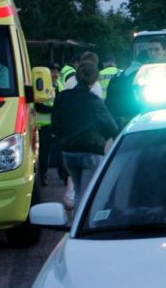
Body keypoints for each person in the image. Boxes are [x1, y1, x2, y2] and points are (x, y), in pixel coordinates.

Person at [51, 61, 119, 209]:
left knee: (78, 191)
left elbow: (55, 125)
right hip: (90, 151)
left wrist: (64, 138)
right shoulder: (94, 101)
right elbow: (111, 127)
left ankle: (77, 226)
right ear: (95, 79)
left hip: (68, 151)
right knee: (87, 195)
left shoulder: (62, 97)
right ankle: (81, 229)